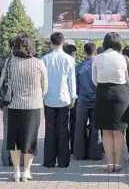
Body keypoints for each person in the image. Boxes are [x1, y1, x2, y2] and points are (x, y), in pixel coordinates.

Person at [6, 33, 48, 182]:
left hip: (14, 106)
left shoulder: (9, 63)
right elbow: (45, 87)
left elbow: (3, 84)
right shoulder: (39, 63)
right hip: (33, 106)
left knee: (15, 140)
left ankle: (16, 171)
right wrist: (37, 96)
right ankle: (27, 171)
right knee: (30, 140)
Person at [92, 32, 129, 172]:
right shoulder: (124, 58)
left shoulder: (98, 58)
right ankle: (117, 163)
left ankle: (109, 164)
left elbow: (94, 79)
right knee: (119, 130)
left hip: (102, 93)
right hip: (120, 93)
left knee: (106, 130)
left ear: (105, 43)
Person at [42, 32, 77, 168]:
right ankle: (63, 161)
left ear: (51, 43)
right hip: (64, 98)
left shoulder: (44, 59)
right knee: (63, 130)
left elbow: (42, 81)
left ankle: (49, 161)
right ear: (63, 43)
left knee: (50, 129)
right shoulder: (69, 59)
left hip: (48, 98)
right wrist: (73, 97)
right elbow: (71, 81)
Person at [74, 42, 103, 161]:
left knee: (79, 126)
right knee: (96, 127)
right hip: (96, 100)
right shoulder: (99, 66)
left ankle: (79, 153)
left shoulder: (79, 67)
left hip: (82, 100)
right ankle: (95, 153)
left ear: (84, 52)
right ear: (95, 52)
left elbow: (75, 85)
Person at [0, 37, 16, 166]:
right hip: (20, 101)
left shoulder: (3, 63)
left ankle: (6, 158)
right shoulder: (23, 62)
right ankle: (17, 159)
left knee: (7, 130)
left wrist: (1, 103)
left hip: (7, 101)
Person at [63, 43, 77, 154]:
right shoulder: (73, 64)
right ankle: (72, 147)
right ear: (74, 54)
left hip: (59, 98)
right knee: (73, 125)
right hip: (73, 99)